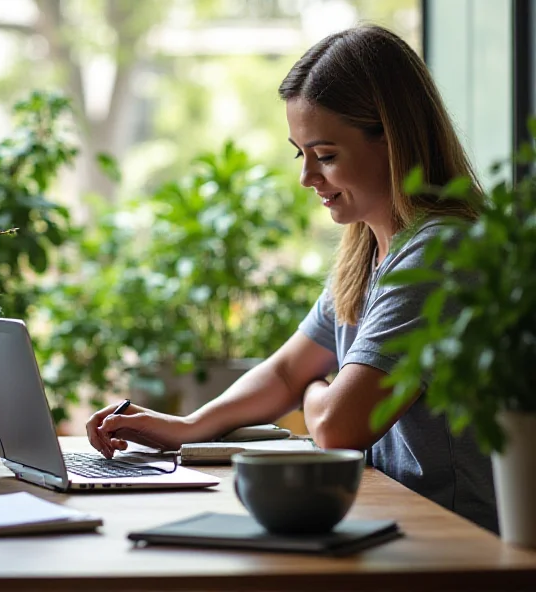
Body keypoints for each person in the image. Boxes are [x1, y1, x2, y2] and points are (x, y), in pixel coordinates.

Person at [85, 24, 498, 533]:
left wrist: (315, 391)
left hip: (457, 541)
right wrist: (187, 428)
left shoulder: (437, 252)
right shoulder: (367, 251)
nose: (307, 177)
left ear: (394, 139)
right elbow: (285, 371)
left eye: (325, 156)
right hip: (397, 519)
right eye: (300, 154)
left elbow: (335, 428)